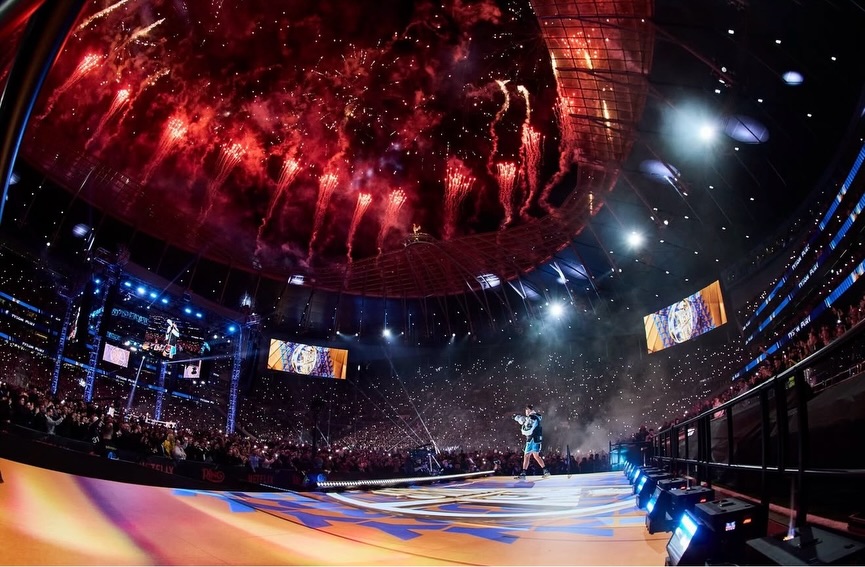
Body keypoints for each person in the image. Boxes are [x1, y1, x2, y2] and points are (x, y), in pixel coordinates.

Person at [513, 404, 549, 480]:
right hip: (537, 439)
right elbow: (524, 420)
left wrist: (522, 429)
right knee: (536, 456)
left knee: (526, 456)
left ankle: (523, 473)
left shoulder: (532, 417)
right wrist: (516, 418)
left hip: (531, 439)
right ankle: (545, 471)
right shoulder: (535, 417)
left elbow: (526, 429)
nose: (525, 412)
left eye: (526, 410)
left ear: (528, 410)